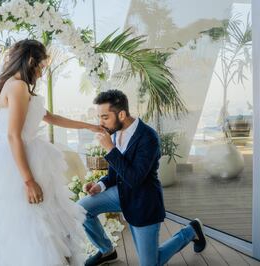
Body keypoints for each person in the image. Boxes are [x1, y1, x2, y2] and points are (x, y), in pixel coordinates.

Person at [0, 39, 102, 266]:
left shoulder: (18, 86)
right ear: (31, 61)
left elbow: (49, 117)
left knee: (39, 223)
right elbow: (14, 135)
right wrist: (28, 180)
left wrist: (87, 126)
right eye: (41, 67)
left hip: (23, 154)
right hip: (15, 162)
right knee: (29, 226)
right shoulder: (17, 87)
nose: (42, 73)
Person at [78, 89, 207, 266]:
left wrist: (110, 149)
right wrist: (99, 186)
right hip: (121, 194)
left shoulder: (148, 137)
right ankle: (107, 251)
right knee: (81, 210)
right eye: (99, 117)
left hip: (143, 203)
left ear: (121, 114)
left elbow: (134, 179)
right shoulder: (115, 132)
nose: (101, 123)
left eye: (105, 117)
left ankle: (190, 231)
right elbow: (115, 174)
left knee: (150, 264)